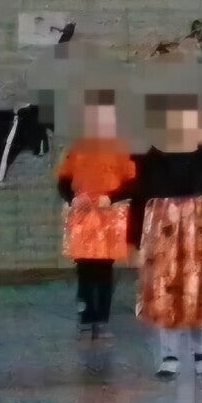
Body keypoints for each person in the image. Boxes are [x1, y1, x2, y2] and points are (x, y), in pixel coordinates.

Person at [131, 93, 202, 379]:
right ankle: (169, 353)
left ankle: (200, 351)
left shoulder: (201, 150)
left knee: (196, 285)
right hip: (164, 224)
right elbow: (140, 193)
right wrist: (134, 235)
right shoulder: (152, 153)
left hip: (195, 224)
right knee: (166, 286)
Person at [56, 90, 140, 337]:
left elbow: (133, 183)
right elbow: (63, 180)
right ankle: (86, 316)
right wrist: (73, 198)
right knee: (84, 268)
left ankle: (101, 319)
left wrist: (110, 198)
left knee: (104, 269)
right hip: (83, 216)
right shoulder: (79, 147)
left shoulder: (122, 148)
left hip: (109, 216)